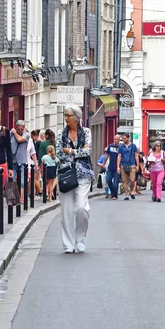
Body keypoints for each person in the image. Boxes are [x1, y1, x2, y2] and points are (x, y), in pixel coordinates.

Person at [56, 104, 94, 254]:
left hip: (83, 174)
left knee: (81, 208)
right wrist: (78, 151)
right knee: (66, 211)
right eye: (64, 116)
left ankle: (80, 239)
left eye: (68, 116)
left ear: (77, 117)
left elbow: (88, 151)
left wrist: (70, 150)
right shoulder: (60, 134)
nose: (66, 119)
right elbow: (59, 153)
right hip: (66, 174)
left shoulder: (86, 132)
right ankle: (68, 243)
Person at [11, 120, 38, 195]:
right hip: (12, 161)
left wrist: (14, 132)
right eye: (18, 129)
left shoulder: (26, 135)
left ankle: (21, 198)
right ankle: (12, 198)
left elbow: (20, 140)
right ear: (15, 127)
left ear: (24, 128)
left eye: (21, 129)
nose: (19, 131)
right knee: (11, 180)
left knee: (22, 181)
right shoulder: (11, 135)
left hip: (22, 161)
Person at [117, 132, 139, 201]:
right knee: (124, 181)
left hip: (132, 165)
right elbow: (119, 156)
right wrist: (118, 166)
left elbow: (136, 155)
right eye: (122, 138)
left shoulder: (133, 146)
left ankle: (131, 191)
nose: (123, 139)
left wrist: (137, 165)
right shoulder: (121, 146)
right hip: (123, 165)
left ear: (128, 138)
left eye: (124, 138)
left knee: (132, 180)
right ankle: (126, 194)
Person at [103, 134, 121, 200]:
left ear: (119, 140)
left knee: (116, 182)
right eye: (115, 139)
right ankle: (113, 192)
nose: (116, 140)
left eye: (117, 139)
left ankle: (115, 195)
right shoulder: (110, 146)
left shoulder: (121, 147)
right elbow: (107, 155)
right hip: (110, 166)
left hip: (117, 167)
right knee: (108, 179)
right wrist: (103, 163)